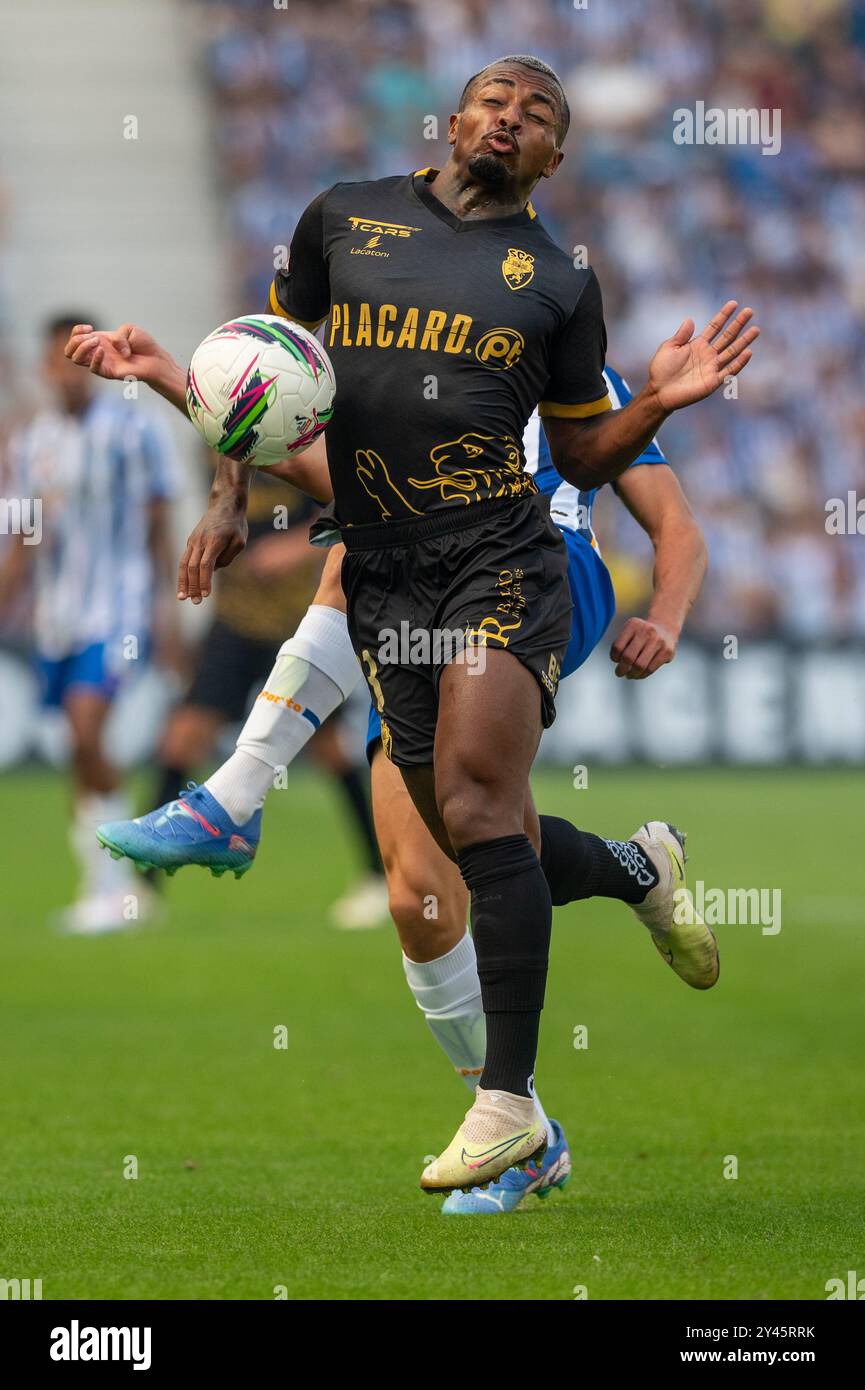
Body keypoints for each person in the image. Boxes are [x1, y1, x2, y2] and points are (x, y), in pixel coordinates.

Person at [65, 53, 758, 1191]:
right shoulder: (349, 231)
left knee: (461, 779)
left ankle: (236, 802)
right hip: (397, 568)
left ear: (553, 157)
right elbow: (285, 412)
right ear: (451, 119)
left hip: (529, 565)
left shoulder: (554, 305)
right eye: (493, 99)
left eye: (536, 112)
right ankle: (629, 887)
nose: (509, 118)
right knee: (430, 877)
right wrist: (174, 389)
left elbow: (643, 498)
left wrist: (668, 593)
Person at [141, 462, 388, 928]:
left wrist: (291, 549)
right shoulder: (225, 443)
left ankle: (378, 877)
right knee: (180, 740)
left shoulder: (310, 437)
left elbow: (354, 510)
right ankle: (141, 888)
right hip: (234, 621)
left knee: (332, 751)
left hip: (298, 620)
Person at [0, 313, 179, 933]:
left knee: (84, 727)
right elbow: (22, 541)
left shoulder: (135, 430)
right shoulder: (32, 443)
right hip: (57, 618)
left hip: (119, 609)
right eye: (58, 360)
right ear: (46, 368)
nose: (69, 373)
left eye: (80, 359)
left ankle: (119, 876)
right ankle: (101, 880)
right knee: (79, 751)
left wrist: (169, 610)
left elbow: (159, 522)